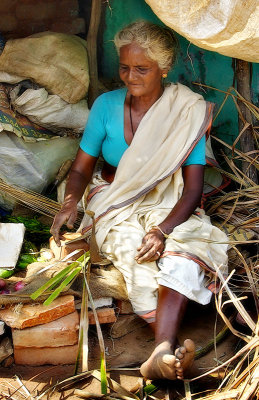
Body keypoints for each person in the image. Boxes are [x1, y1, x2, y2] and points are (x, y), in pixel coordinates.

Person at [51, 20, 228, 380]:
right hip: (114, 199)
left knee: (186, 247)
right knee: (135, 254)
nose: (131, 77)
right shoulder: (106, 105)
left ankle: (161, 352)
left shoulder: (185, 110)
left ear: (164, 69)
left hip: (169, 202)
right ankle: (165, 347)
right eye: (125, 67)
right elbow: (82, 168)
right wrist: (70, 202)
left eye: (142, 69)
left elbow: (193, 189)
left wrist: (163, 229)